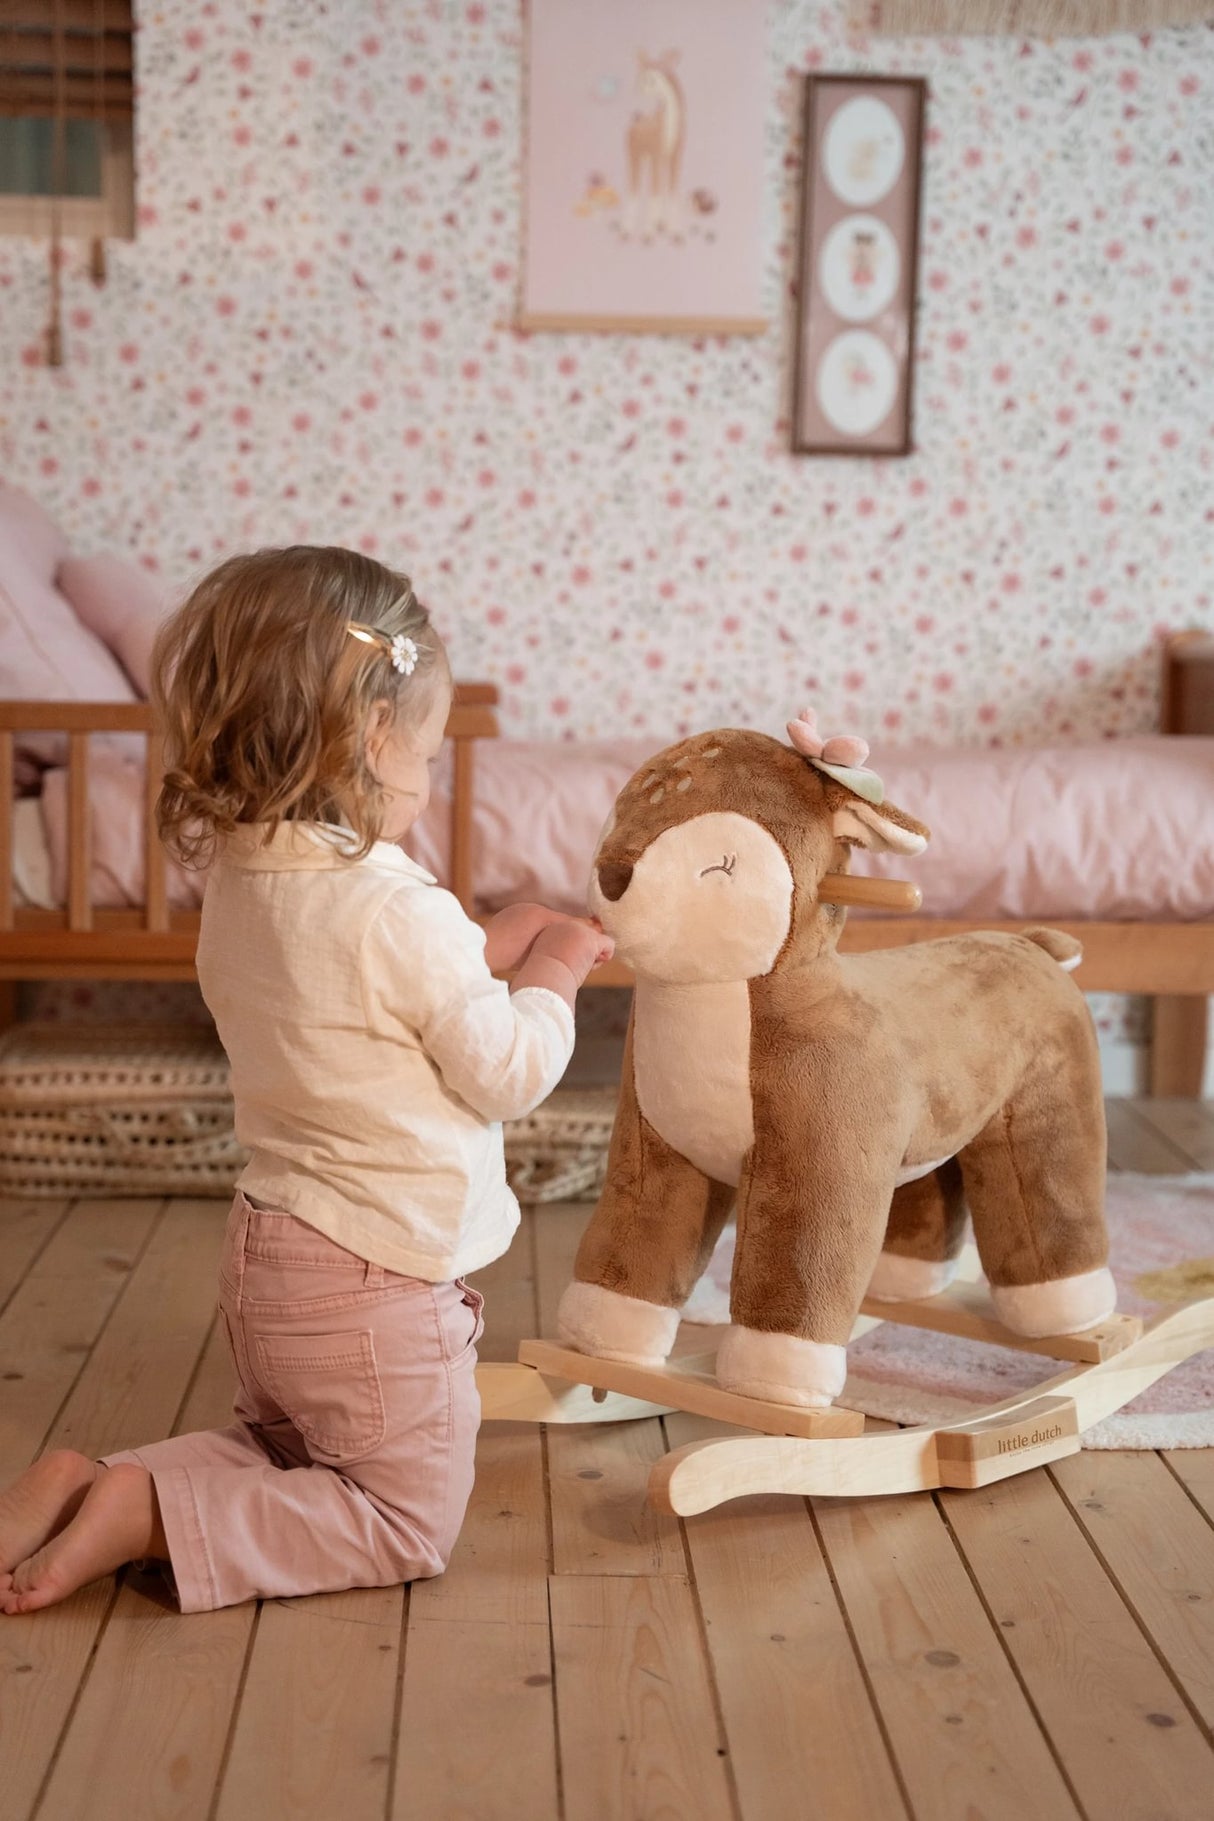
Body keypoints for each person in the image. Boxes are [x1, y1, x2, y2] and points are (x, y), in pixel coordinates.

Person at [0, 545, 610, 1615]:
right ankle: (138, 1513)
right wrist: (554, 971)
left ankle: (92, 1485)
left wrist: (474, 946)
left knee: (292, 1458)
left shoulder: (244, 876)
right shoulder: (397, 909)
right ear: (374, 739)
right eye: (424, 753)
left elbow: (354, 997)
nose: (427, 779)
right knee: (398, 1518)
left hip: (275, 1256)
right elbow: (505, 1071)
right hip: (372, 1284)